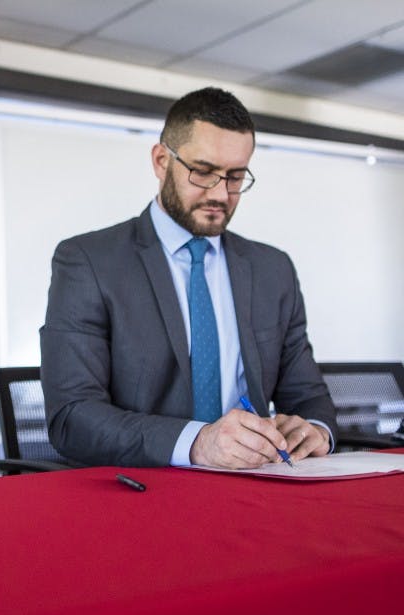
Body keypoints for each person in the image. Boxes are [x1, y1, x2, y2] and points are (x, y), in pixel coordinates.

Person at [40, 87, 335, 469]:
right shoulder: (88, 262)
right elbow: (72, 418)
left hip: (260, 488)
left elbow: (309, 397)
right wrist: (197, 443)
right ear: (162, 161)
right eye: (203, 172)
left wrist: (313, 429)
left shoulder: (273, 270)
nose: (221, 194)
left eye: (235, 176)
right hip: (144, 494)